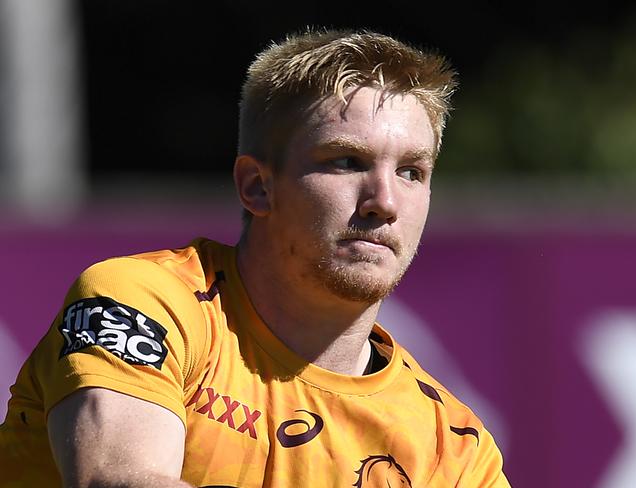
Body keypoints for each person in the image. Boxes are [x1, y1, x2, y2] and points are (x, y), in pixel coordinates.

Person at [0, 29, 510, 487]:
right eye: (346, 161)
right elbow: (116, 480)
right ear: (257, 186)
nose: (385, 199)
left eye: (411, 172)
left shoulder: (455, 448)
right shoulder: (146, 301)